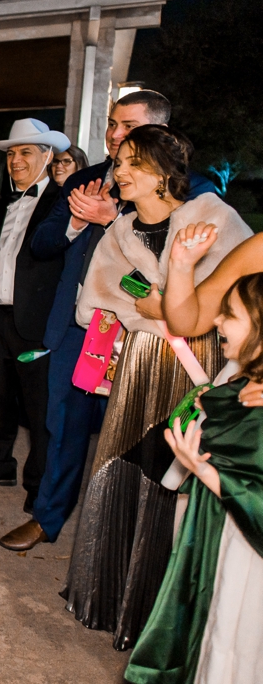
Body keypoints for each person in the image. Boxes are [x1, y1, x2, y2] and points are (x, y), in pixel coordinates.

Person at [2, 91, 215, 557]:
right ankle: (47, 518)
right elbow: (40, 245)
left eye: (129, 127)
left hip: (145, 337)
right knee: (63, 426)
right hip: (79, 328)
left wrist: (115, 217)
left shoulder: (194, 189)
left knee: (139, 437)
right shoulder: (85, 179)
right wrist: (79, 223)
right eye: (112, 125)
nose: (116, 136)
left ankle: (128, 540)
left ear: (159, 132)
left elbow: (190, 259)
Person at [64, 126, 249, 645]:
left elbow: (228, 305)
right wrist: (139, 307)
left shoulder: (215, 220)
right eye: (119, 162)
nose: (119, 172)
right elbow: (103, 295)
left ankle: (156, 608)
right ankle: (104, 593)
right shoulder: (120, 231)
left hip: (195, 361)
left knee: (176, 473)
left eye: (132, 164)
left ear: (165, 173)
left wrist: (165, 302)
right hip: (141, 358)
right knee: (121, 463)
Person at [126, 271, 263, 684]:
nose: (219, 322)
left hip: (248, 560)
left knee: (235, 645)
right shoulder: (247, 386)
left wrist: (206, 472)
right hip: (219, 537)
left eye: (231, 315)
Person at [0, 119, 70, 508]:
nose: (16, 160)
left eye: (26, 152)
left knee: (40, 407)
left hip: (37, 324)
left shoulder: (64, 206)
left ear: (47, 156)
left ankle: (38, 486)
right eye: (11, 153)